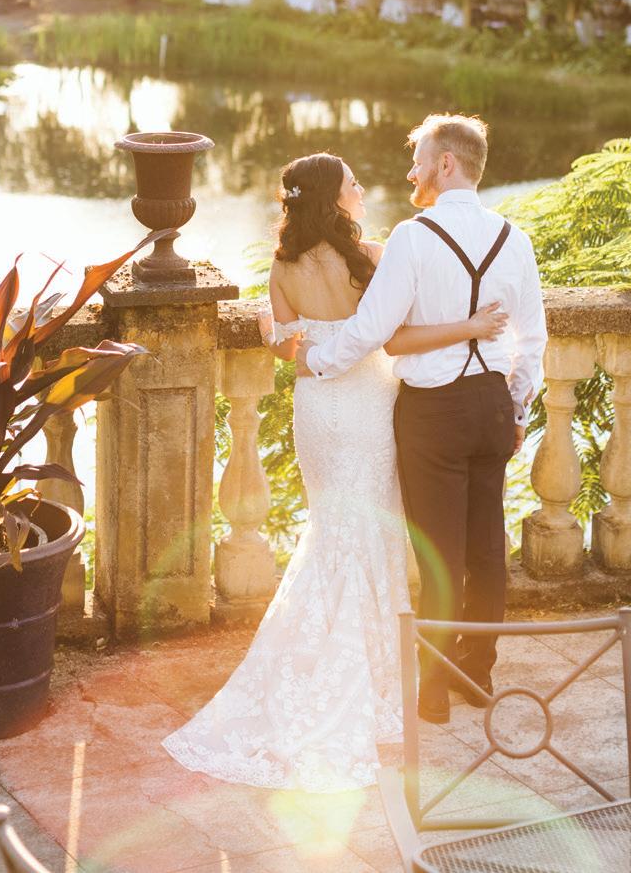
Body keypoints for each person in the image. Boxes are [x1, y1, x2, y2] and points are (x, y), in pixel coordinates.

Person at [162, 151, 508, 791]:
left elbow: (289, 350)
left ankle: (330, 653)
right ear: (334, 197)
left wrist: (271, 336)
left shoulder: (282, 266)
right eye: (353, 182)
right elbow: (396, 331)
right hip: (370, 402)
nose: (362, 187)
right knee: (373, 529)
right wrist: (473, 324)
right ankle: (377, 668)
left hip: (318, 408)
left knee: (330, 529)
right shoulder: (373, 257)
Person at [296, 115, 547, 725]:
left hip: (434, 412)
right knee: (487, 550)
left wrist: (318, 360)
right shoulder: (514, 237)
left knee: (438, 554)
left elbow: (372, 329)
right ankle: (477, 674)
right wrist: (516, 407)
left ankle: (433, 689)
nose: (411, 171)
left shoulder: (413, 237)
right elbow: (533, 340)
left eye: (419, 160)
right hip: (492, 404)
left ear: (446, 164)